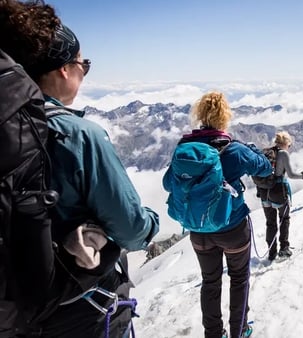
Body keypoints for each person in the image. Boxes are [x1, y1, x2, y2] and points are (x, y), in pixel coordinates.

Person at [0, 1, 160, 336]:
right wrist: (151, 221)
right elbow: (131, 230)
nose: (83, 72)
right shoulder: (78, 135)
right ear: (63, 69)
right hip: (78, 308)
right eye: (82, 64)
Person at [170, 92, 271, 338]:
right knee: (239, 280)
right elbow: (265, 168)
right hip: (233, 227)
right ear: (225, 117)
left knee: (210, 282)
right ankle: (240, 330)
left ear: (201, 116)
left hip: (199, 230)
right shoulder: (235, 150)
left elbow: (167, 183)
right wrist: (251, 150)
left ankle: (214, 335)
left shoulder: (185, 150)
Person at [257, 131, 303, 261]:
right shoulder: (283, 154)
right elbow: (291, 175)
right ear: (286, 143)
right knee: (284, 219)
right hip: (278, 191)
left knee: (270, 223)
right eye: (290, 145)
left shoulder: (265, 152)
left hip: (264, 192)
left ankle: (271, 252)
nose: (289, 147)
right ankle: (284, 248)